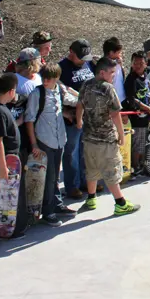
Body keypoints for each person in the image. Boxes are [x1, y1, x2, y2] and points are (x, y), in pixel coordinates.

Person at [76, 57, 140, 216]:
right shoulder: (108, 89)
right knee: (111, 171)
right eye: (112, 73)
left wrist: (79, 121)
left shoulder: (86, 84)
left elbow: (79, 104)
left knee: (91, 169)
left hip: (89, 138)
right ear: (102, 72)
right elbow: (115, 114)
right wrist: (121, 133)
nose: (113, 76)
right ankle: (120, 203)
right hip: (106, 139)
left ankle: (91, 198)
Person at [23, 62, 79, 225]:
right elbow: (29, 120)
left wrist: (84, 96)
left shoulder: (59, 90)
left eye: (49, 79)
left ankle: (57, 204)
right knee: (49, 177)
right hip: (44, 140)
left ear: (56, 79)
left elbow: (72, 100)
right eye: (43, 78)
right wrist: (34, 145)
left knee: (54, 176)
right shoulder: (36, 94)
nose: (45, 81)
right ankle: (47, 212)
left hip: (59, 139)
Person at [0, 73, 28, 238]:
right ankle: (4, 228)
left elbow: (7, 130)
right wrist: (3, 168)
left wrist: (18, 123)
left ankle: (12, 225)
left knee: (9, 195)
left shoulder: (1, 110)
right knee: (4, 196)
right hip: (3, 162)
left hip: (9, 160)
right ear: (11, 91)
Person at [58, 39, 95, 197]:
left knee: (85, 150)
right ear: (71, 52)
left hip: (89, 115)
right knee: (71, 151)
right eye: (81, 57)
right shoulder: (61, 68)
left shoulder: (89, 63)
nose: (83, 61)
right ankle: (72, 185)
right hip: (72, 117)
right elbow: (58, 93)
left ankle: (87, 182)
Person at [123, 48, 150, 174]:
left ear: (146, 63)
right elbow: (132, 99)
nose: (138, 65)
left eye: (141, 63)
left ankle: (142, 164)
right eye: (135, 63)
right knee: (137, 144)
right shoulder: (131, 79)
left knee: (147, 142)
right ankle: (135, 167)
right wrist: (147, 108)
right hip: (137, 119)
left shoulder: (146, 77)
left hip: (148, 117)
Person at [102, 37, 126, 103]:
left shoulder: (118, 62)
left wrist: (121, 66)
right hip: (112, 101)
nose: (120, 55)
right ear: (111, 53)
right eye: (119, 52)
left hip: (122, 99)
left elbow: (122, 78)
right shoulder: (103, 66)